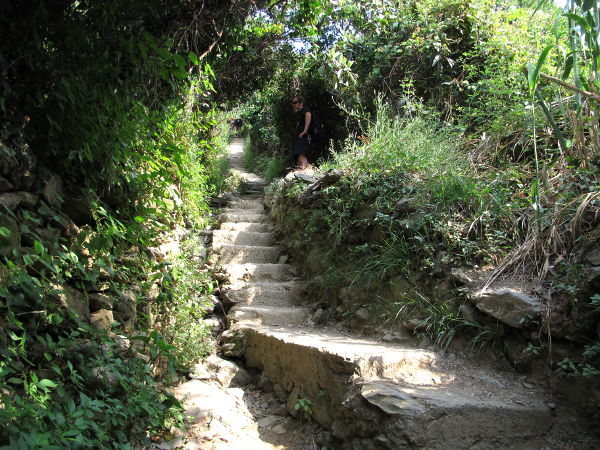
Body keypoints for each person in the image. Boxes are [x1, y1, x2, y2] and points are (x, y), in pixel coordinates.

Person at [291, 96, 312, 170]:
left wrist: (304, 131)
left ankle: (304, 171)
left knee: (301, 154)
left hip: (303, 136)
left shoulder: (305, 110)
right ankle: (301, 171)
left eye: (295, 102)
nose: (293, 104)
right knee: (298, 154)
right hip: (298, 137)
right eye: (293, 103)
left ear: (301, 103)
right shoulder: (299, 112)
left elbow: (308, 115)